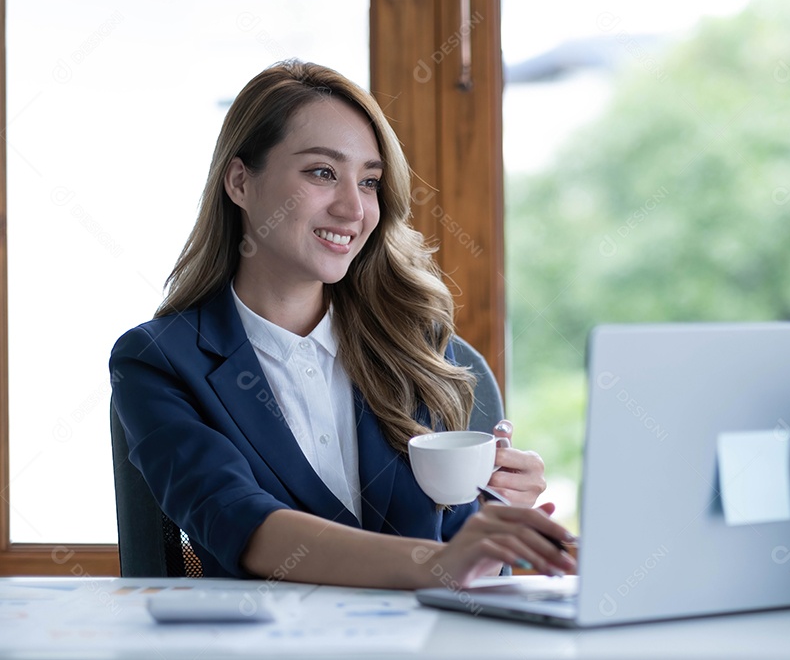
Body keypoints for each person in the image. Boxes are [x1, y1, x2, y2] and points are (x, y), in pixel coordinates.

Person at [109, 60, 575, 589]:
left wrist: (497, 513)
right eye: (322, 172)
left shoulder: (416, 347)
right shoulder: (159, 361)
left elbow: (466, 566)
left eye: (370, 181)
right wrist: (439, 564)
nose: (354, 208)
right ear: (240, 181)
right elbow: (243, 525)